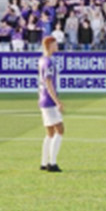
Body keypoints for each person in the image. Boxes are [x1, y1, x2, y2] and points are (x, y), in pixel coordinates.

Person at [38, 32, 65, 172]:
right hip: (49, 101)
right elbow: (48, 82)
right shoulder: (48, 62)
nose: (57, 46)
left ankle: (44, 162)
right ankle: (52, 163)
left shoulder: (42, 60)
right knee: (60, 130)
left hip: (43, 99)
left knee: (50, 133)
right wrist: (57, 101)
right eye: (55, 44)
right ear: (49, 46)